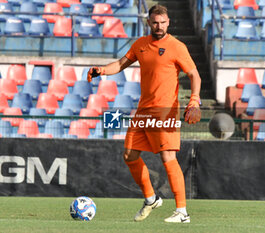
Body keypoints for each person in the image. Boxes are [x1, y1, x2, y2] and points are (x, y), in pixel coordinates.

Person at [87, 4, 201, 223]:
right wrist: (101, 70)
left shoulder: (177, 47)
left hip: (165, 111)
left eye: (163, 22)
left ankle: (182, 212)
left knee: (168, 157)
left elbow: (195, 75)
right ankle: (151, 199)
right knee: (129, 155)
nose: (159, 26)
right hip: (143, 110)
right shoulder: (140, 44)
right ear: (148, 22)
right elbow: (121, 64)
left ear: (168, 23)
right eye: (155, 22)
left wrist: (194, 100)